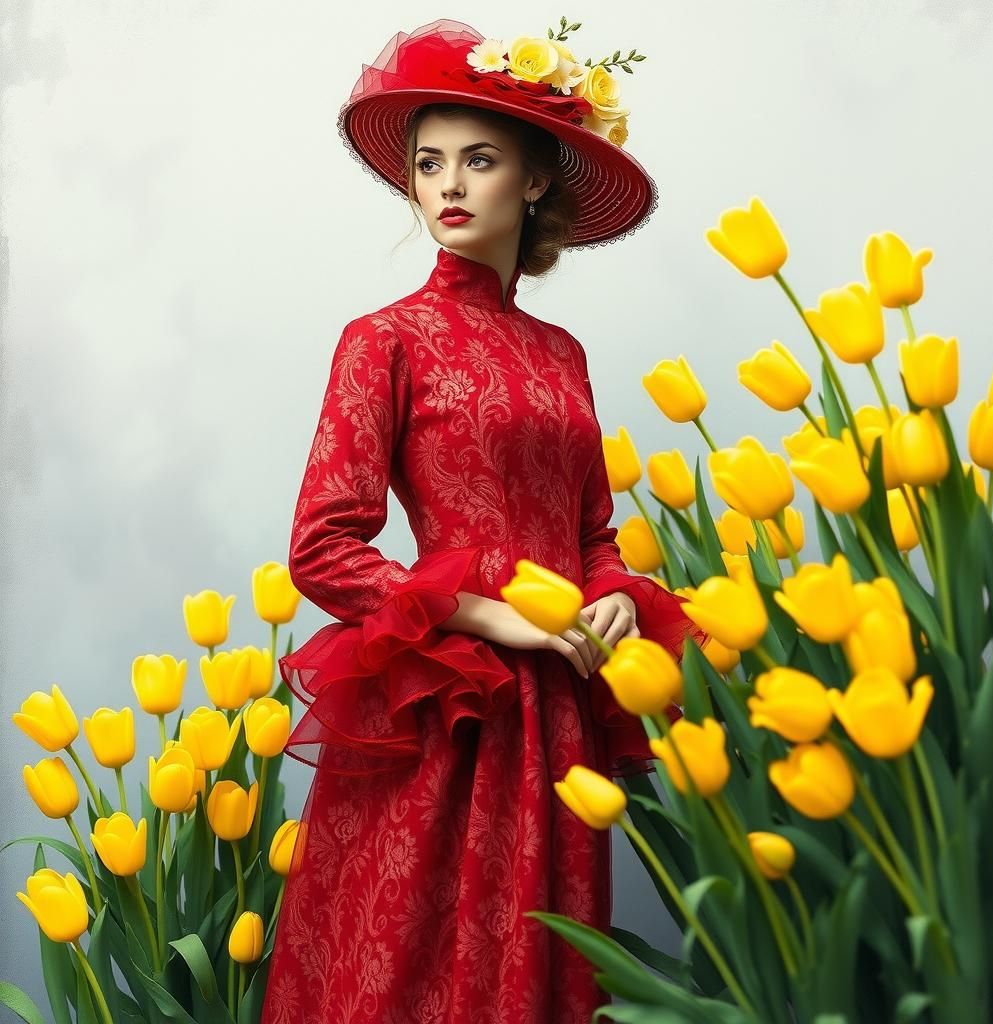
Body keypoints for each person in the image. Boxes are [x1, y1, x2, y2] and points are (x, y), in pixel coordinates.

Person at [260, 18, 707, 1023]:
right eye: (429, 164)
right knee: (409, 967)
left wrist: (611, 594)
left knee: (538, 963)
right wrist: (492, 615)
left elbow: (591, 530)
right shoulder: (382, 339)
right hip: (449, 699)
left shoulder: (562, 352)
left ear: (535, 179)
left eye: (479, 160)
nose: (448, 186)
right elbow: (321, 548)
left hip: (558, 701)